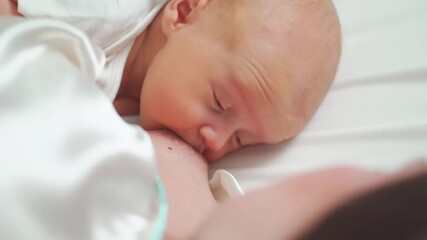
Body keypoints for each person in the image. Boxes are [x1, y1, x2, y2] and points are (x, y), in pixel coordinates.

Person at [6, 0, 342, 161]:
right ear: (182, 13)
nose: (215, 143)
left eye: (241, 141)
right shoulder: (108, 12)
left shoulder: (140, 118)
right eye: (221, 104)